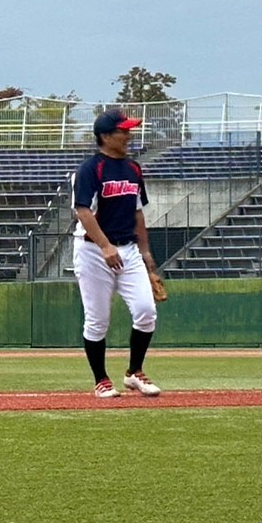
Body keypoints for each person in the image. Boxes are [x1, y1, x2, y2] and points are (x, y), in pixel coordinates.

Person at [72, 110, 162, 399]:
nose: (128, 135)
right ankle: (101, 379)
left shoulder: (133, 169)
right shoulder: (90, 170)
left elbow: (138, 213)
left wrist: (146, 253)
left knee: (146, 311)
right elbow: (83, 211)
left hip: (129, 249)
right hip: (93, 252)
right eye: (122, 131)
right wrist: (105, 246)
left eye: (128, 130)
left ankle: (134, 372)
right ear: (105, 137)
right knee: (98, 320)